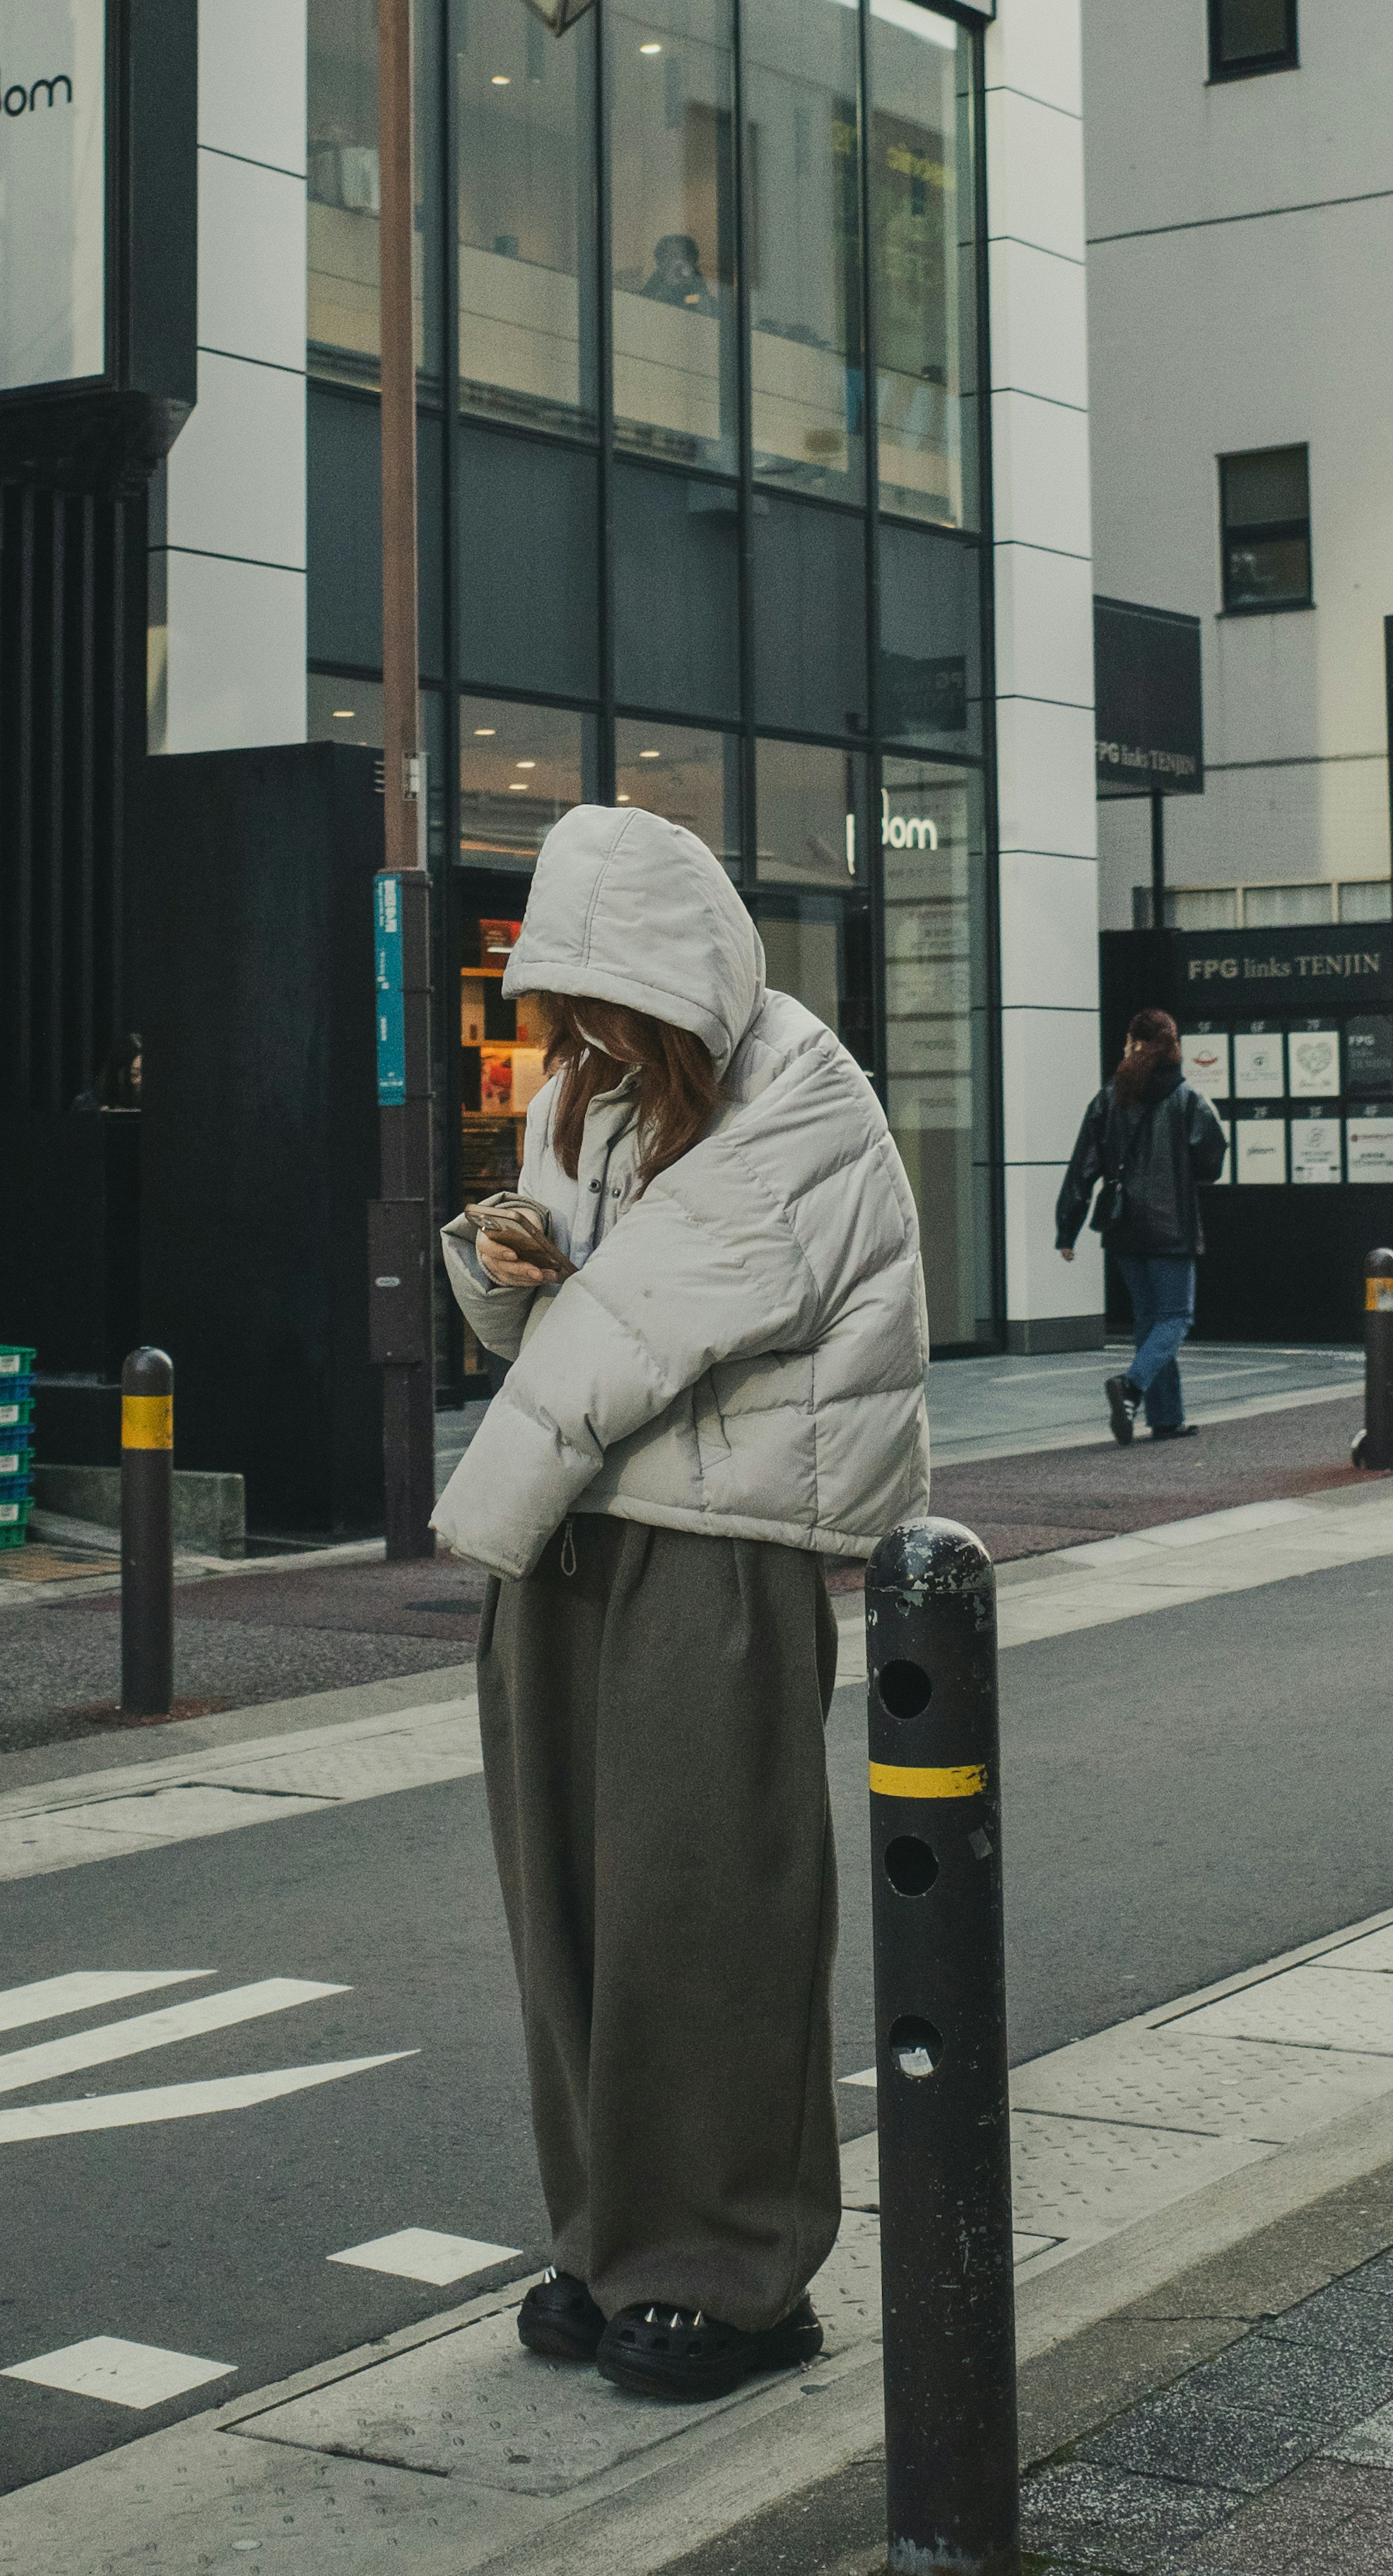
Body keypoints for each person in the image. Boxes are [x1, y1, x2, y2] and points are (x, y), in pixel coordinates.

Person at [432, 803, 929, 2405]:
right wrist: (498, 1258)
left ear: (675, 972)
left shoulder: (805, 1091)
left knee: (707, 1915)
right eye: (568, 1009)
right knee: (570, 1905)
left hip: (719, 1540)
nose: (580, 1038)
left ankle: (733, 2270)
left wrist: (513, 1425)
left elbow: (649, 1311)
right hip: (579, 1527)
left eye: (606, 1004)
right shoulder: (593, 1094)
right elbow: (570, 1317)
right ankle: (608, 2242)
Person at [1055, 1007, 1227, 1444]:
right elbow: (1211, 1162)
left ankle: (1166, 1418)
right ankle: (1130, 1386)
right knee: (1176, 1317)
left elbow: (1084, 1166)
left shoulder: (1110, 1097)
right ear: (1173, 1047)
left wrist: (1067, 1227)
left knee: (1151, 1321)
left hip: (1124, 1226)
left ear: (1131, 1044)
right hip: (1172, 1227)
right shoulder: (1188, 1098)